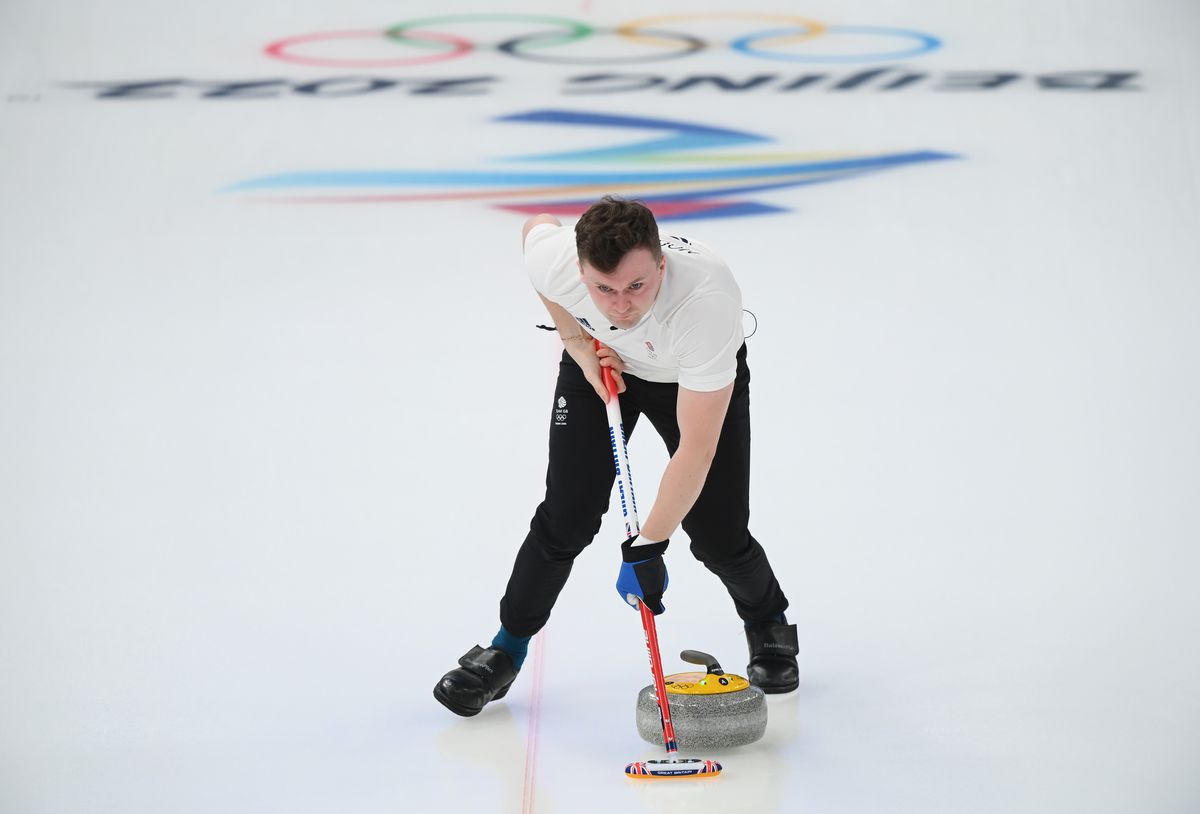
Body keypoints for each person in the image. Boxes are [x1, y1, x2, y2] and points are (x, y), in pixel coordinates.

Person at [433, 196, 797, 717]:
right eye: (602, 288)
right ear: (580, 269)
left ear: (661, 265)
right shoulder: (556, 262)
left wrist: (649, 545)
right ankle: (504, 650)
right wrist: (575, 342)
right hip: (604, 368)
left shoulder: (706, 302)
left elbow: (696, 448)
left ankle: (767, 621)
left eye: (636, 286)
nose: (621, 305)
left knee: (718, 533)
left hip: (688, 379)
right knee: (566, 518)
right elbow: (536, 231)